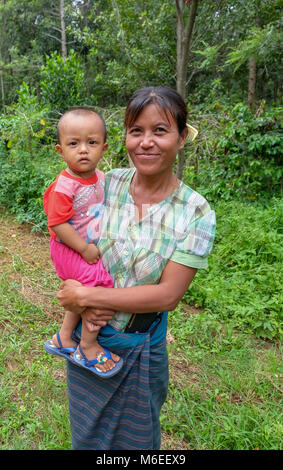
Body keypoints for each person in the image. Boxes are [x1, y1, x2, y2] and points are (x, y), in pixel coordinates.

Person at [56, 86, 216, 450]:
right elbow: (67, 233)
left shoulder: (196, 211)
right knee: (88, 433)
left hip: (142, 343)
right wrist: (78, 294)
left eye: (160, 131)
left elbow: (168, 294)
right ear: (125, 137)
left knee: (137, 441)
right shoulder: (104, 184)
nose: (146, 142)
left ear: (180, 138)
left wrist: (86, 294)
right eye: (136, 131)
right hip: (89, 337)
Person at [43, 107, 123, 377]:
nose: (83, 150)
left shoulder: (100, 177)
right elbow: (57, 223)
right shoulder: (65, 185)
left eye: (92, 142)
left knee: (82, 287)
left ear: (104, 147)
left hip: (82, 249)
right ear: (60, 150)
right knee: (101, 289)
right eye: (73, 143)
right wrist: (85, 248)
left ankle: (64, 338)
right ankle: (87, 346)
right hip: (69, 248)